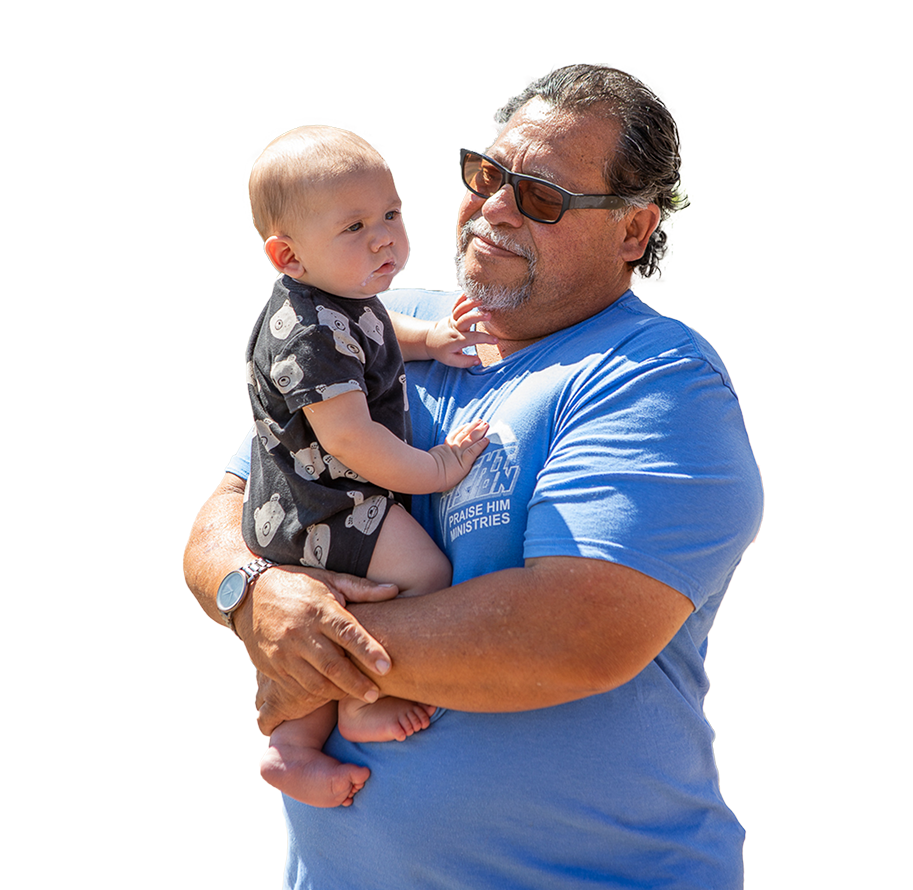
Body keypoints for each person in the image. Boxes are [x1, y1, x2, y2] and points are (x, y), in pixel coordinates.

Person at [184, 64, 764, 889]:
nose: (492, 207)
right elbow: (229, 510)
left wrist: (311, 648)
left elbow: (573, 635)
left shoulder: (655, 381)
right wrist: (253, 597)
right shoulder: (383, 324)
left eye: (541, 196)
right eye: (490, 175)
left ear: (633, 232)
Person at [240, 125, 493, 807]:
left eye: (391, 214)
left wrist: (431, 339)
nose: (385, 237)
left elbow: (380, 329)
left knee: (317, 627)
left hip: (301, 506)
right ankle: (360, 704)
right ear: (288, 255)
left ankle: (291, 750)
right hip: (327, 505)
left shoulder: (335, 295)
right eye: (354, 226)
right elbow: (352, 440)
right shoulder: (312, 333)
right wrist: (439, 467)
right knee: (424, 573)